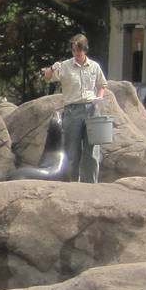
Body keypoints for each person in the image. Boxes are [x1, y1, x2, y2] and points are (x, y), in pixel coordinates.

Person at [41, 33, 108, 182]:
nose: (76, 53)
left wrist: (99, 96)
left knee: (92, 152)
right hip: (72, 110)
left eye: (79, 50)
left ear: (85, 50)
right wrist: (52, 68)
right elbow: (46, 78)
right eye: (74, 50)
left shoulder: (94, 66)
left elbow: (102, 84)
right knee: (72, 151)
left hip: (91, 109)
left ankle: (91, 185)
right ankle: (73, 184)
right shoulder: (65, 66)